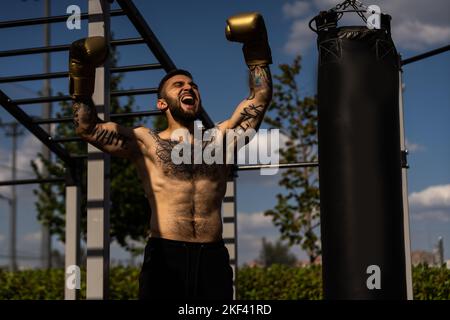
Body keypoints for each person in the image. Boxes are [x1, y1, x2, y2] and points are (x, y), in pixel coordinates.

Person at [70, 12, 273, 300]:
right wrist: (81, 72)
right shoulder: (145, 142)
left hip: (213, 257)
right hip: (166, 255)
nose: (188, 87)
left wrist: (256, 48)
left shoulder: (221, 139)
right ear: (162, 103)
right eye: (179, 85)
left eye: (192, 85)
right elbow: (87, 128)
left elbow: (260, 97)